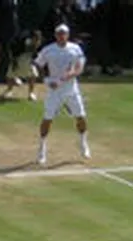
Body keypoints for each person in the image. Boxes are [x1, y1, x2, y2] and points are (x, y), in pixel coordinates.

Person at [35, 24, 90, 165]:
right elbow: (37, 64)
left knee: (81, 117)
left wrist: (67, 76)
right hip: (54, 91)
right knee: (48, 119)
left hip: (72, 90)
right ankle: (42, 148)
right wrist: (46, 79)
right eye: (59, 33)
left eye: (64, 33)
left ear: (68, 35)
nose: (61, 36)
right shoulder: (48, 50)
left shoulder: (75, 49)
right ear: (55, 35)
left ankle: (83, 143)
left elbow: (79, 68)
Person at [2, 29, 42, 101]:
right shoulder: (22, 41)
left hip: (27, 57)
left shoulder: (36, 41)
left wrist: (34, 60)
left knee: (33, 75)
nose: (38, 41)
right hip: (17, 55)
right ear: (32, 38)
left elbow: (35, 53)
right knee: (10, 75)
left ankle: (31, 93)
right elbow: (12, 48)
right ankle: (9, 91)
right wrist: (14, 61)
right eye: (36, 39)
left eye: (38, 39)